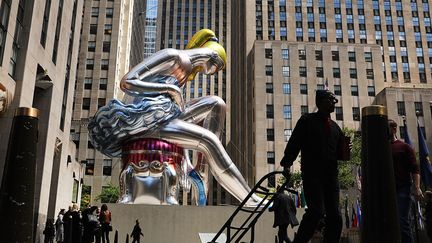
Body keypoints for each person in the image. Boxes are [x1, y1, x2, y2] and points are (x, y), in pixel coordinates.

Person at [88, 29, 262, 206]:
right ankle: (250, 200)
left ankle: (200, 173)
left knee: (217, 104)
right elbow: (127, 82)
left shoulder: (185, 70)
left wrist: (185, 159)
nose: (212, 73)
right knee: (209, 141)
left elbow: (180, 125)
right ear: (213, 56)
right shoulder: (173, 56)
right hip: (146, 119)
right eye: (217, 69)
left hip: (165, 114)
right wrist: (171, 90)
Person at [280, 90, 347, 243]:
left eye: (334, 100)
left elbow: (340, 153)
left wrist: (344, 151)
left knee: (335, 216)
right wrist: (286, 164)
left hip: (331, 176)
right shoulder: (307, 121)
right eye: (330, 100)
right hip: (312, 174)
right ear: (320, 102)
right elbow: (294, 143)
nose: (333, 103)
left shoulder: (336, 128)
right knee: (316, 211)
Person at [388, 119, 423, 243]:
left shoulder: (405, 147)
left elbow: (415, 168)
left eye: (387, 128)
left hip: (402, 189)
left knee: (402, 221)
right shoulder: (381, 148)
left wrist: (417, 187)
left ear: (394, 129)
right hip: (386, 191)